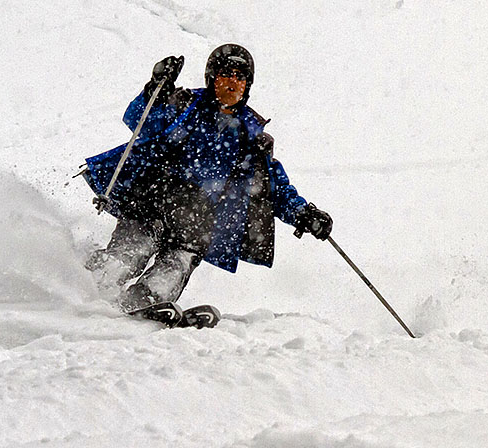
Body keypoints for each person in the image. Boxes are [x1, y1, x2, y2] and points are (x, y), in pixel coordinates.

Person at [81, 44, 332, 312]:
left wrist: (303, 213)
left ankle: (147, 300)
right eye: (226, 73)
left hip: (195, 221)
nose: (233, 81)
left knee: (178, 262)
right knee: (132, 251)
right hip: (152, 200)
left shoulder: (250, 135)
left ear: (247, 85)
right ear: (212, 78)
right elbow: (139, 121)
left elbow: (273, 186)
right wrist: (156, 89)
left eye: (240, 76)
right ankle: (84, 290)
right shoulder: (185, 104)